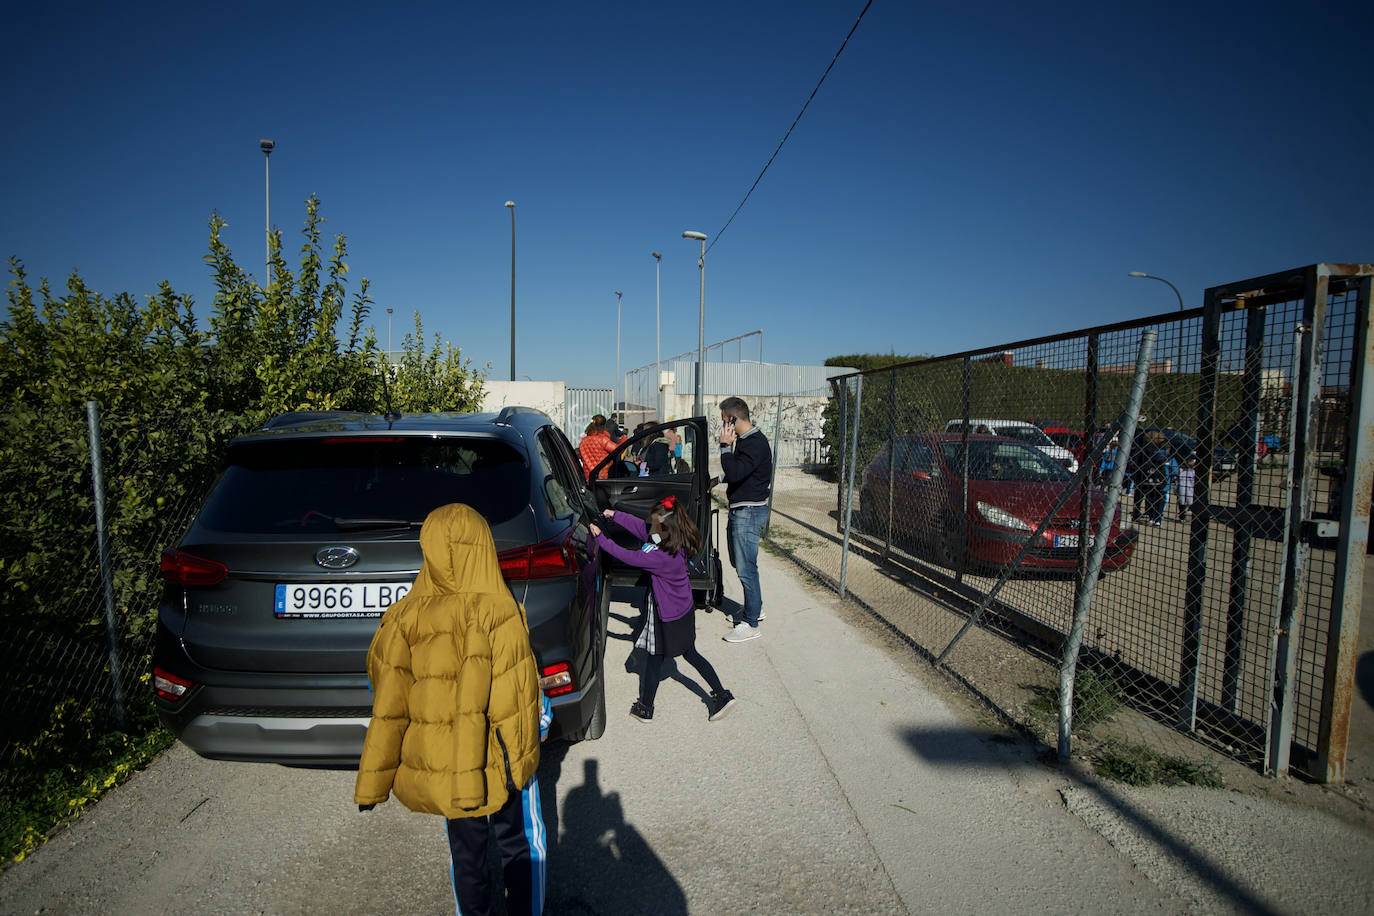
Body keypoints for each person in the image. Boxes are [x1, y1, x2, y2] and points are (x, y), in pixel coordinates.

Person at [354, 503, 554, 916]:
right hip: (500, 757)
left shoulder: (405, 613)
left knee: (466, 853)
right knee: (519, 844)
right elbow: (516, 689)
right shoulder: (499, 610)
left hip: (446, 763)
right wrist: (538, 725)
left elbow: (385, 684)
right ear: (481, 546)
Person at [590, 497, 737, 722]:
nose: (650, 524)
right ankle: (720, 694)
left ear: (665, 527)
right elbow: (641, 529)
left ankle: (647, 708)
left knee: (657, 657)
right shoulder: (669, 538)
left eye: (654, 522)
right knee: (683, 654)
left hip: (668, 617)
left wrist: (600, 538)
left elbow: (627, 556)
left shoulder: (661, 556)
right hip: (681, 611)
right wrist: (614, 515)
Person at [716, 396, 772, 642]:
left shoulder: (754, 443)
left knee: (746, 567)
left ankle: (750, 624)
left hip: (748, 512)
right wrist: (717, 480)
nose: (722, 426)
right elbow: (741, 473)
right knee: (739, 563)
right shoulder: (748, 441)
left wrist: (724, 447)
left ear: (732, 418)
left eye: (723, 421)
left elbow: (736, 470)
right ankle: (754, 608)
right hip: (742, 508)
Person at [578, 414, 615, 481]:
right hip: (601, 478)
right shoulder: (603, 439)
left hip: (588, 478)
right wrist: (624, 439)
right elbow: (617, 450)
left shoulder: (583, 441)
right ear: (603, 426)